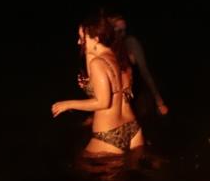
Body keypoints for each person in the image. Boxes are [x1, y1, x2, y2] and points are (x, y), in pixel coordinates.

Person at [52, 11, 144, 153]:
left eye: (82, 38)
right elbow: (121, 93)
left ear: (95, 39)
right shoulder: (118, 57)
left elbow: (103, 102)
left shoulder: (97, 63)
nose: (79, 42)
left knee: (82, 169)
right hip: (133, 127)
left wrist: (67, 104)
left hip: (108, 134)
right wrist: (89, 86)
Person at [108, 12, 169, 118]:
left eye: (122, 29)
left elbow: (145, 71)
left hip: (136, 98)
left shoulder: (130, 42)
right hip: (116, 100)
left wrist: (158, 100)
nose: (120, 32)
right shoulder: (107, 48)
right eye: (117, 29)